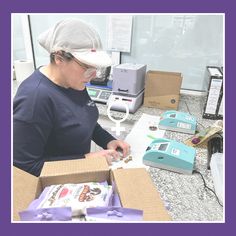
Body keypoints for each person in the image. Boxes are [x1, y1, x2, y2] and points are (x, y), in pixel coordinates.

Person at [13, 18, 130, 177]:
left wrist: (108, 140)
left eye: (95, 68)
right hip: (53, 186)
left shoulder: (74, 82)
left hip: (77, 174)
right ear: (59, 58)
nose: (93, 75)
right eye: (87, 67)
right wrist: (83, 160)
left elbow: (84, 120)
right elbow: (25, 167)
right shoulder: (35, 98)